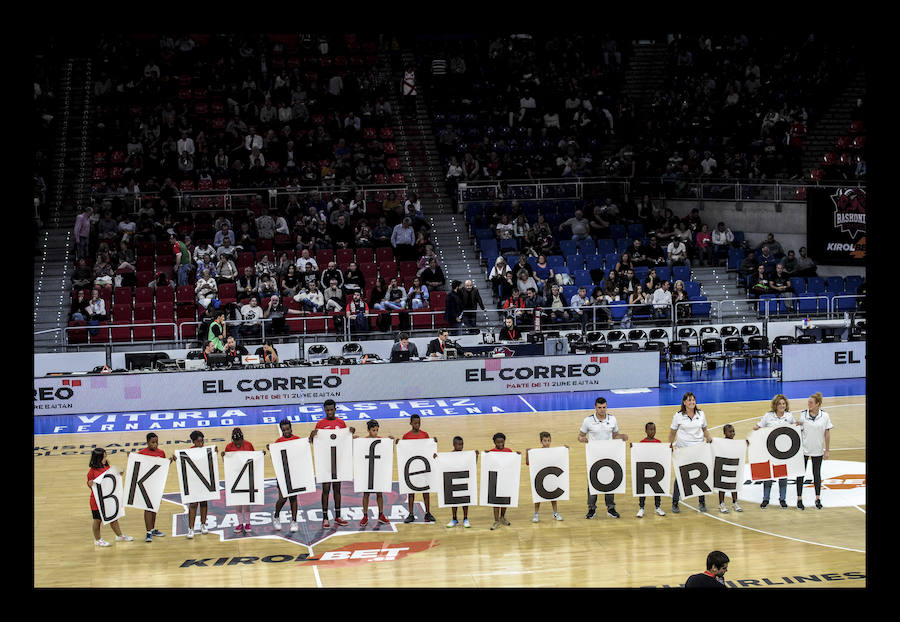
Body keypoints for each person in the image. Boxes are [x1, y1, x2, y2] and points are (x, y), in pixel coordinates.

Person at [308, 399, 356, 528]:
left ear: (335, 409)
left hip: (337, 461)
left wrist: (350, 432)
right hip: (325, 462)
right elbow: (313, 443)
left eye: (331, 409)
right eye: (327, 410)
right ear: (324, 410)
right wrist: (311, 436)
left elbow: (345, 440)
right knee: (325, 490)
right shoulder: (320, 424)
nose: (329, 412)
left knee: (337, 489)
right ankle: (325, 518)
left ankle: (338, 516)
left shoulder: (341, 423)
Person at [578, 397, 628, 519]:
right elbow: (580, 436)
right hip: (594, 457)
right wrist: (582, 439)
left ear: (606, 407)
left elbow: (615, 435)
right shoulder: (588, 421)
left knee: (610, 481)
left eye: (604, 407)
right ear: (595, 407)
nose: (602, 410)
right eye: (599, 407)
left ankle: (611, 508)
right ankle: (591, 509)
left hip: (609, 455)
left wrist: (622, 436)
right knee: (593, 481)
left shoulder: (612, 419)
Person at [668, 392, 712, 513]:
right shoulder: (678, 416)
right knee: (680, 475)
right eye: (689, 400)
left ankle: (702, 502)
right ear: (684, 402)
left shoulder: (701, 414)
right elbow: (672, 432)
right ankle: (675, 502)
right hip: (683, 450)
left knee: (701, 474)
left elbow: (705, 430)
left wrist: (710, 439)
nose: (692, 402)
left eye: (693, 400)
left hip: (698, 449)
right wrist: (669, 444)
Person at [87, 448, 134, 547]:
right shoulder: (92, 471)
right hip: (97, 501)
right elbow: (89, 484)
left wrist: (119, 473)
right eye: (103, 457)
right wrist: (90, 483)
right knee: (97, 520)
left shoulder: (107, 466)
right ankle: (98, 539)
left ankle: (119, 536)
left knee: (113, 518)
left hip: (108, 499)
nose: (105, 458)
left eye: (105, 456)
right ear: (97, 458)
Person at [795, 392, 833, 510]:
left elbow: (827, 433)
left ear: (818, 404)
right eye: (808, 402)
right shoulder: (803, 415)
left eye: (811, 402)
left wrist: (827, 450)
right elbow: (798, 432)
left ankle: (817, 498)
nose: (809, 404)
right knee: (800, 474)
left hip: (817, 450)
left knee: (817, 474)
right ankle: (799, 499)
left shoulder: (825, 416)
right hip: (804, 450)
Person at [397, 414, 437, 523]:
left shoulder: (425, 435)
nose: (417, 424)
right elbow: (403, 451)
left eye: (419, 423)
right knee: (411, 491)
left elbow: (429, 450)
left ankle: (427, 513)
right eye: (415, 423)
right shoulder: (406, 436)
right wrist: (398, 444)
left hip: (423, 467)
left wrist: (433, 444)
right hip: (412, 468)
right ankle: (410, 514)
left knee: (426, 491)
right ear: (410, 423)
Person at [221, 427, 260, 534]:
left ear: (242, 439)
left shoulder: (248, 445)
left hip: (247, 476)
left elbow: (254, 459)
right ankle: (239, 523)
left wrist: (260, 456)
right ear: (232, 440)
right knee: (237, 501)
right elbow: (226, 463)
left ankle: (248, 522)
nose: (238, 444)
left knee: (246, 501)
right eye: (236, 442)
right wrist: (223, 457)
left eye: (239, 442)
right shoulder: (228, 447)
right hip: (234, 477)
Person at [266, 419, 301, 532]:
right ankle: (276, 516)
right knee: (282, 498)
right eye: (284, 430)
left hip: (295, 472)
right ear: (281, 430)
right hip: (282, 473)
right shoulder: (278, 442)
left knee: (293, 498)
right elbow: (274, 459)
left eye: (288, 429)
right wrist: (271, 451)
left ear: (291, 428)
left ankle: (294, 521)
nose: (286, 431)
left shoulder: (297, 440)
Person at [358, 420, 394, 526]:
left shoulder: (381, 440)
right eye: (374, 430)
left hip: (378, 470)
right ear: (368, 430)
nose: (376, 432)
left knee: (379, 493)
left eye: (377, 430)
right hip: (367, 470)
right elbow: (358, 454)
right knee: (366, 494)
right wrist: (354, 441)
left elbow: (388, 454)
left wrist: (391, 444)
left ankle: (381, 514)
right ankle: (365, 515)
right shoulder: (363, 441)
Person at [526, 432, 567, 522]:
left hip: (551, 477)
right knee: (538, 496)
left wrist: (565, 450)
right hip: (540, 477)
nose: (547, 442)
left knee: (553, 496)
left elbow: (560, 460)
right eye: (545, 441)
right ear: (541, 441)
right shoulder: (536, 452)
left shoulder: (553, 452)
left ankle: (555, 513)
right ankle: (536, 514)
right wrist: (527, 453)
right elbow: (528, 463)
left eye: (548, 440)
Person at [180, 430, 210, 539]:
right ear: (193, 442)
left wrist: (215, 452)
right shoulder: (189, 452)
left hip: (205, 480)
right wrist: (177, 458)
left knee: (203, 503)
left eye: (202, 441)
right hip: (193, 481)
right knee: (193, 505)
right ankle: (191, 528)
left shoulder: (207, 451)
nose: (201, 444)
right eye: (199, 442)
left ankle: (203, 524)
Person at [487, 433, 521, 530]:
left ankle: (502, 517)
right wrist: (486, 455)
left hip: (506, 478)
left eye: (502, 442)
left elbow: (512, 463)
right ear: (494, 442)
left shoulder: (509, 451)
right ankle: (496, 520)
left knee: (505, 500)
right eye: (498, 442)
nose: (500, 444)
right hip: (495, 479)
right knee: (496, 502)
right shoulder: (491, 452)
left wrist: (516, 455)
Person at [138, 433, 168, 542]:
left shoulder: (161, 453)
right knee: (148, 508)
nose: (155, 445)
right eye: (153, 442)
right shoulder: (141, 454)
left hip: (157, 484)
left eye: (156, 442)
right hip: (146, 485)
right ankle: (148, 532)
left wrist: (170, 461)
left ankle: (153, 529)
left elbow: (163, 468)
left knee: (154, 508)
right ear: (147, 442)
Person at [632, 422, 666, 518]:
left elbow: (662, 454)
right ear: (646, 431)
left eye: (654, 429)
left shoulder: (658, 442)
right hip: (645, 469)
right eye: (650, 429)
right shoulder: (642, 443)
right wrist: (633, 449)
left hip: (655, 469)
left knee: (657, 490)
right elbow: (638, 454)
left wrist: (668, 449)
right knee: (643, 489)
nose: (652, 431)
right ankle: (641, 508)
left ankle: (657, 507)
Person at [446, 436, 475, 528]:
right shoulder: (450, 455)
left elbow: (472, 466)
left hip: (463, 479)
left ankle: (465, 518)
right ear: (454, 445)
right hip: (453, 480)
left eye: (462, 444)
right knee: (454, 502)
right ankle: (454, 519)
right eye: (459, 444)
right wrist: (437, 458)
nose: (460, 446)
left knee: (464, 500)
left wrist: (476, 456)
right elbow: (444, 465)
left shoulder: (466, 455)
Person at [717, 425, 743, 513]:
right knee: (722, 486)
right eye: (730, 431)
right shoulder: (721, 443)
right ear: (725, 433)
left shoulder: (735, 443)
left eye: (733, 431)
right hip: (723, 467)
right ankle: (721, 503)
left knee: (733, 485)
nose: (732, 433)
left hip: (732, 466)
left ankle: (735, 502)